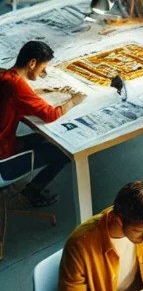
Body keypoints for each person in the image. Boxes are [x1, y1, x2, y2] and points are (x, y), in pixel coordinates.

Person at [0, 41, 86, 207]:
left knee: (40, 138)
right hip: (2, 163)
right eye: (43, 67)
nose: (43, 72)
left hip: (5, 142)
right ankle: (32, 192)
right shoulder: (17, 85)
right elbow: (51, 114)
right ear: (32, 63)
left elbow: (17, 100)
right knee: (65, 151)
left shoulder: (4, 75)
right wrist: (74, 101)